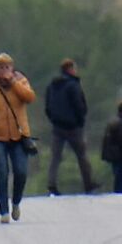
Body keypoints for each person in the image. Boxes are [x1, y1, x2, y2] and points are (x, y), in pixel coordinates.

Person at [0, 53, 38, 224]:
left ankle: (16, 202)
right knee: (2, 172)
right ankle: (3, 210)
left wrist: (13, 82)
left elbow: (30, 97)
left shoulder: (20, 81)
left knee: (21, 171)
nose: (4, 71)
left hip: (19, 136)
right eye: (0, 67)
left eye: (7, 67)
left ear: (12, 68)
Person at [43, 58, 96, 196]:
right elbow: (79, 105)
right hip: (73, 127)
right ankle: (88, 183)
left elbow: (47, 106)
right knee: (82, 155)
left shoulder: (52, 86)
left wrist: (53, 119)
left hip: (57, 127)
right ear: (71, 69)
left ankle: (51, 185)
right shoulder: (73, 85)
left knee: (55, 157)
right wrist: (80, 120)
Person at [101, 101, 122, 193]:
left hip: (113, 155)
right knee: (121, 177)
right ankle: (119, 192)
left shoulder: (113, 122)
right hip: (121, 155)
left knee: (117, 174)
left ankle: (117, 191)